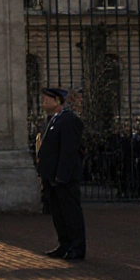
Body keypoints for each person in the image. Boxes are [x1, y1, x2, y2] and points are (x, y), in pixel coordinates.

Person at [35, 87, 86, 260]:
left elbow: (69, 151)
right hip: (51, 176)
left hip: (64, 177)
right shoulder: (50, 120)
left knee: (71, 214)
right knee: (58, 214)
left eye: (47, 99)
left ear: (58, 101)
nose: (43, 101)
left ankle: (77, 247)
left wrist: (62, 176)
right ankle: (64, 244)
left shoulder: (69, 120)